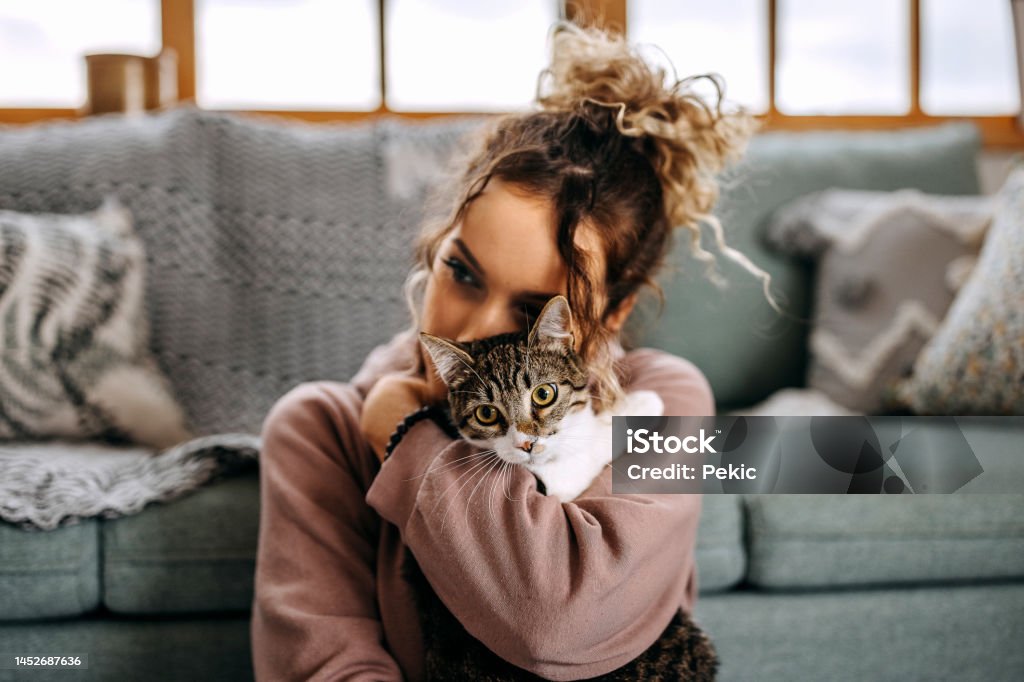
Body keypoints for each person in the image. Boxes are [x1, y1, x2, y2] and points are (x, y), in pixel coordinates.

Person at [251, 20, 776, 682]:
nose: (474, 333)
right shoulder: (319, 429)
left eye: (531, 312)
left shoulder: (667, 403)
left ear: (612, 315)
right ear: (436, 246)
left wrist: (406, 437)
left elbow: (558, 622)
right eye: (462, 273)